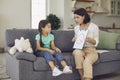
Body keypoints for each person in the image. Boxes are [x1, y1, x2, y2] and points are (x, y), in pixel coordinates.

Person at [72, 8, 99, 80]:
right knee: (77, 53)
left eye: (77, 17)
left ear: (83, 17)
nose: (76, 19)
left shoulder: (94, 27)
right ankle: (82, 76)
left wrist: (89, 40)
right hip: (80, 49)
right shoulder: (76, 28)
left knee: (86, 62)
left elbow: (96, 42)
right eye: (75, 18)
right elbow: (76, 38)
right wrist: (74, 39)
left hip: (91, 50)